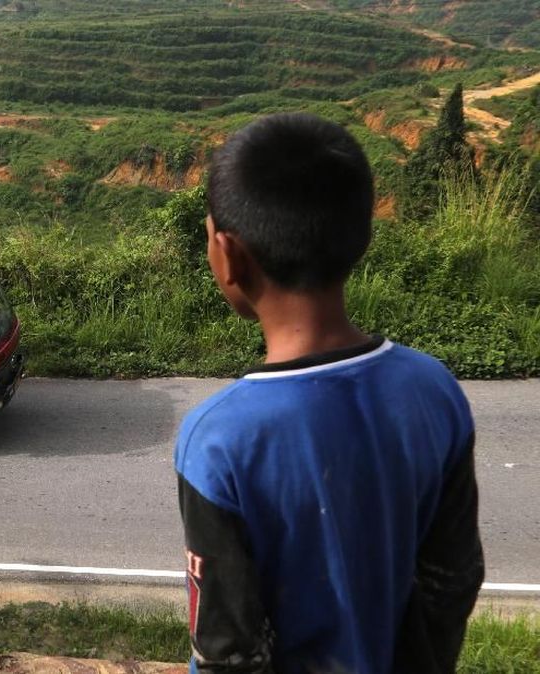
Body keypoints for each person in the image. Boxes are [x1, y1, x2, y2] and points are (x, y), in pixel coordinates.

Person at [175, 113, 482, 674]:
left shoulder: (218, 440)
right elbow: (453, 579)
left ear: (228, 254)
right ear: (361, 235)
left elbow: (229, 652)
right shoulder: (434, 389)